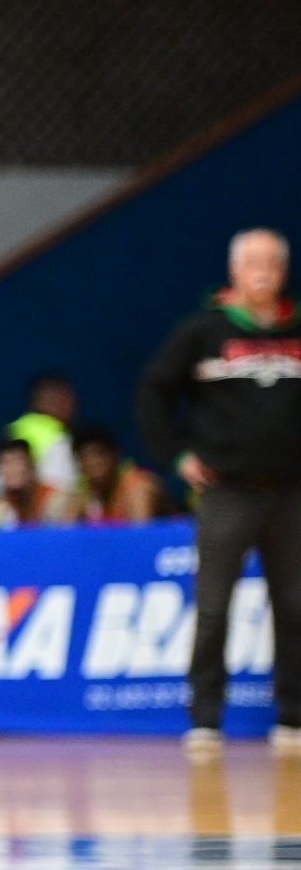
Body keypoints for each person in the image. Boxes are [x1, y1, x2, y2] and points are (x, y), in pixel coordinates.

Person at [136, 226, 301, 752]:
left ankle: (292, 719)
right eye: (253, 261)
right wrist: (177, 455)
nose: (264, 271)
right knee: (212, 609)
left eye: (273, 262)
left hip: (292, 494)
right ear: (234, 271)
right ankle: (205, 719)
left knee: (296, 607)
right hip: (227, 492)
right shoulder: (202, 331)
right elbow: (154, 391)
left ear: (285, 271)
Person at [5, 372, 79, 497]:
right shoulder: (57, 435)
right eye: (64, 399)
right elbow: (64, 487)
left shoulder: (12, 430)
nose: (71, 405)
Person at [0, 437, 72, 528]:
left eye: (17, 461)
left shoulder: (55, 499)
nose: (12, 469)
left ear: (31, 464)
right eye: (4, 462)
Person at [72, 427, 160, 525]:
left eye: (97, 455)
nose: (92, 464)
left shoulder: (139, 487)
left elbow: (141, 535)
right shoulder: (86, 495)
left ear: (115, 455)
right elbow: (66, 531)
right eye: (84, 459)